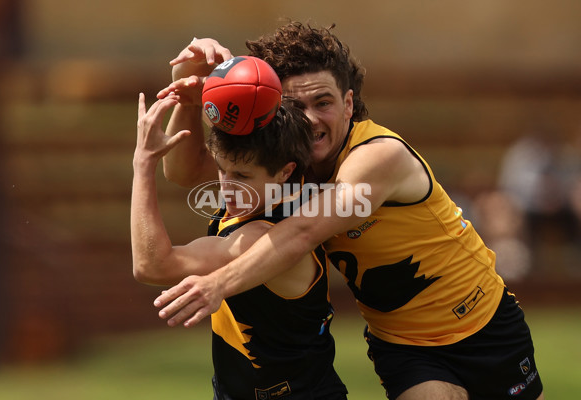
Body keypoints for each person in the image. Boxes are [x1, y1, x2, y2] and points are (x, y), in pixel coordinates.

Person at [154, 22, 544, 400]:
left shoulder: (378, 155)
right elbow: (183, 173)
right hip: (403, 344)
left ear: (349, 104)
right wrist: (190, 98)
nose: (310, 119)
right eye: (295, 105)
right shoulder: (287, 161)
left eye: (323, 102)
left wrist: (219, 283)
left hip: (484, 322)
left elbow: (304, 230)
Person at [131, 93, 348, 399]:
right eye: (222, 170)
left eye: (242, 176)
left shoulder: (260, 236)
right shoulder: (269, 190)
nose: (227, 187)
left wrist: (143, 163)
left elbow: (151, 265)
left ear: (285, 171)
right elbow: (182, 171)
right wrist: (196, 87)